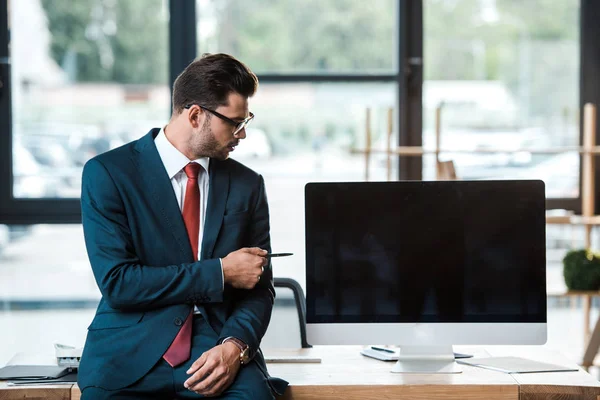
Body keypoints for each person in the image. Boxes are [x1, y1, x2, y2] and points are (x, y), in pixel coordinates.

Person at [79, 53, 286, 399]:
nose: (244, 134)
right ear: (195, 116)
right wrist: (219, 273)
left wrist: (235, 346)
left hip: (216, 342)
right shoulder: (109, 174)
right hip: (130, 350)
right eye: (235, 122)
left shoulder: (248, 184)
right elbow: (119, 283)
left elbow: (260, 288)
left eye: (246, 120)